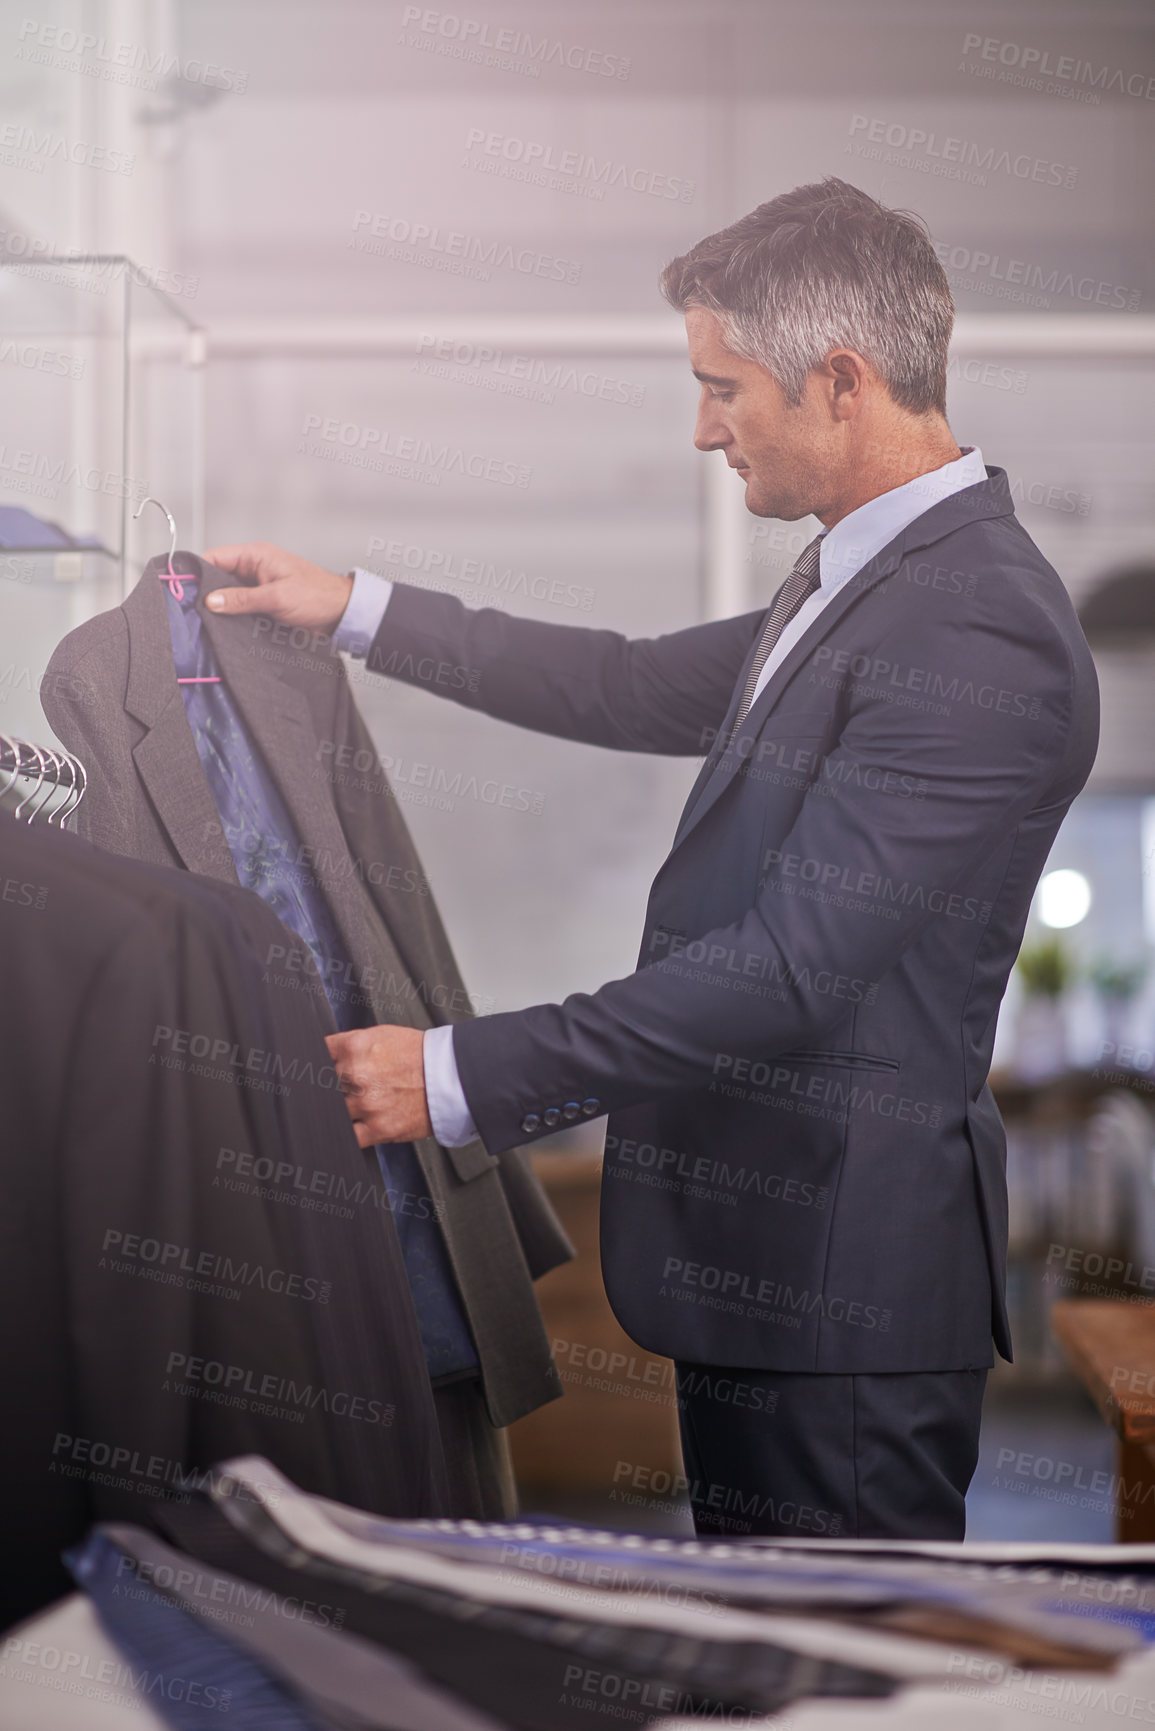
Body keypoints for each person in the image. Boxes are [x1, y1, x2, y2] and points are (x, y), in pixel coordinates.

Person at [202, 178, 1099, 1540]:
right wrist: (356, 609)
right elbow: (618, 685)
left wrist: (458, 1074)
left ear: (841, 382)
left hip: (841, 1301)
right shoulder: (858, 580)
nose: (702, 430)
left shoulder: (977, 627)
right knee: (760, 1662)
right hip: (776, 1275)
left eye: (723, 388)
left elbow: (790, 972)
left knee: (832, 1681)